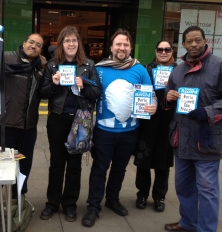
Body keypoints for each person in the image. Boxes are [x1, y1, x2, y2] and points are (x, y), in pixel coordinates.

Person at [164, 26, 222, 232]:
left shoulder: (220, 66)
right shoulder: (178, 71)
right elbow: (168, 97)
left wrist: (208, 111)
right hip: (182, 139)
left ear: (204, 41)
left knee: (207, 190)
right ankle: (187, 223)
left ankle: (206, 229)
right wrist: (168, 98)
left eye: (197, 40)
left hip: (206, 140)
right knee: (183, 186)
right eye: (189, 41)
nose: (193, 44)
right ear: (183, 44)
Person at [81, 29, 157, 227]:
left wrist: (153, 105)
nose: (122, 48)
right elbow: (90, 92)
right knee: (99, 169)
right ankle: (93, 206)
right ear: (111, 47)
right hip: (104, 132)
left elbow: (151, 95)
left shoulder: (139, 70)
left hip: (130, 131)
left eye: (125, 45)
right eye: (118, 44)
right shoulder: (99, 69)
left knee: (120, 169)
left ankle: (112, 199)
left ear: (130, 47)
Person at [0, 21, 45, 199]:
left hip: (28, 128)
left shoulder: (41, 66)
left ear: (41, 50)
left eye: (38, 45)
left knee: (23, 166)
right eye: (31, 42)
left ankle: (17, 199)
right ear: (24, 43)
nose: (33, 46)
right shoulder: (6, 57)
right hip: (3, 125)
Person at [39, 26, 101, 222]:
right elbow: (43, 93)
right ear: (61, 44)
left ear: (79, 44)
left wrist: (84, 87)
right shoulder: (52, 66)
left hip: (80, 119)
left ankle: (70, 204)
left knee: (74, 165)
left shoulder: (89, 66)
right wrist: (54, 84)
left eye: (74, 41)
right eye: (67, 41)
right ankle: (52, 203)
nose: (71, 44)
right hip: (57, 118)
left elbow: (97, 93)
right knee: (56, 163)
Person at [133, 40, 177, 212]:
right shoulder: (146, 69)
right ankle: (142, 194)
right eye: (160, 49)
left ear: (172, 51)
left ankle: (159, 196)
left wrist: (175, 93)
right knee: (143, 160)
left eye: (167, 49)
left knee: (163, 162)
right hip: (148, 122)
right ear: (155, 50)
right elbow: (139, 91)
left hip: (168, 122)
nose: (163, 52)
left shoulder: (178, 71)